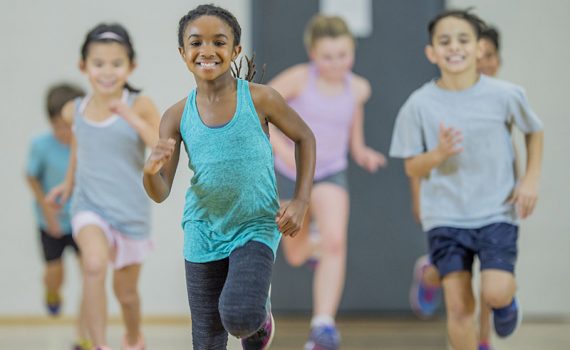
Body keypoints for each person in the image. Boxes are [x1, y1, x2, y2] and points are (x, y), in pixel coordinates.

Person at [142, 4, 316, 350]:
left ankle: (259, 319)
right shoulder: (176, 116)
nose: (207, 51)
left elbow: (304, 138)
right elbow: (160, 191)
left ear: (235, 50)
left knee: (240, 315)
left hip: (255, 224)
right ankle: (254, 324)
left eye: (218, 42)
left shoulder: (261, 99)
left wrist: (300, 200)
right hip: (203, 230)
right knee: (207, 341)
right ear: (183, 53)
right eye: (196, 43)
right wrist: (148, 173)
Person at [390, 9, 543, 350]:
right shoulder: (418, 105)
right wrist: (439, 154)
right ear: (431, 52)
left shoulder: (505, 95)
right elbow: (413, 167)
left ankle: (506, 303)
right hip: (445, 215)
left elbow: (534, 131)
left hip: (496, 212)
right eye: (444, 41)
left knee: (495, 290)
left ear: (479, 49)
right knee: (460, 307)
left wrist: (530, 180)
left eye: (463, 40)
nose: (454, 47)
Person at [268, 14, 386, 350]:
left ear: (353, 51)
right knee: (294, 253)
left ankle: (323, 326)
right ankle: (312, 244)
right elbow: (259, 109)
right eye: (328, 56)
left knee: (336, 241)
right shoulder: (298, 79)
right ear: (313, 54)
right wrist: (282, 150)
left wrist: (361, 151)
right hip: (290, 173)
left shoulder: (358, 87)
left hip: (330, 171)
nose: (336, 64)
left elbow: (351, 123)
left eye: (343, 55)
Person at [47, 23, 160, 350]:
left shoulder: (140, 104)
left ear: (131, 66)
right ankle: (97, 345)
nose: (107, 72)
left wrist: (131, 118)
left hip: (130, 213)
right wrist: (68, 184)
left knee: (126, 295)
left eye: (116, 64)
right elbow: (79, 147)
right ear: (84, 67)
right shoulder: (75, 110)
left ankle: (134, 338)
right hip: (89, 207)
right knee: (94, 265)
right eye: (98, 64)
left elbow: (160, 146)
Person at [408, 24, 505, 350]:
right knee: (454, 276)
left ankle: (482, 340)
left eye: (489, 55)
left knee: (491, 273)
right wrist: (418, 196)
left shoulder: (500, 99)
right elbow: (417, 156)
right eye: (479, 55)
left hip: (490, 205)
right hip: (449, 207)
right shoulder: (441, 101)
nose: (483, 61)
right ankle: (428, 273)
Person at [26, 83, 91, 350]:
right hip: (50, 222)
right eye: (59, 126)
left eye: (70, 126)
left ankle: (83, 335)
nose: (65, 132)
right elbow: (31, 177)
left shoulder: (86, 144)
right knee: (55, 274)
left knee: (91, 274)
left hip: (81, 219)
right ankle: (51, 291)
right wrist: (47, 213)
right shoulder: (41, 145)